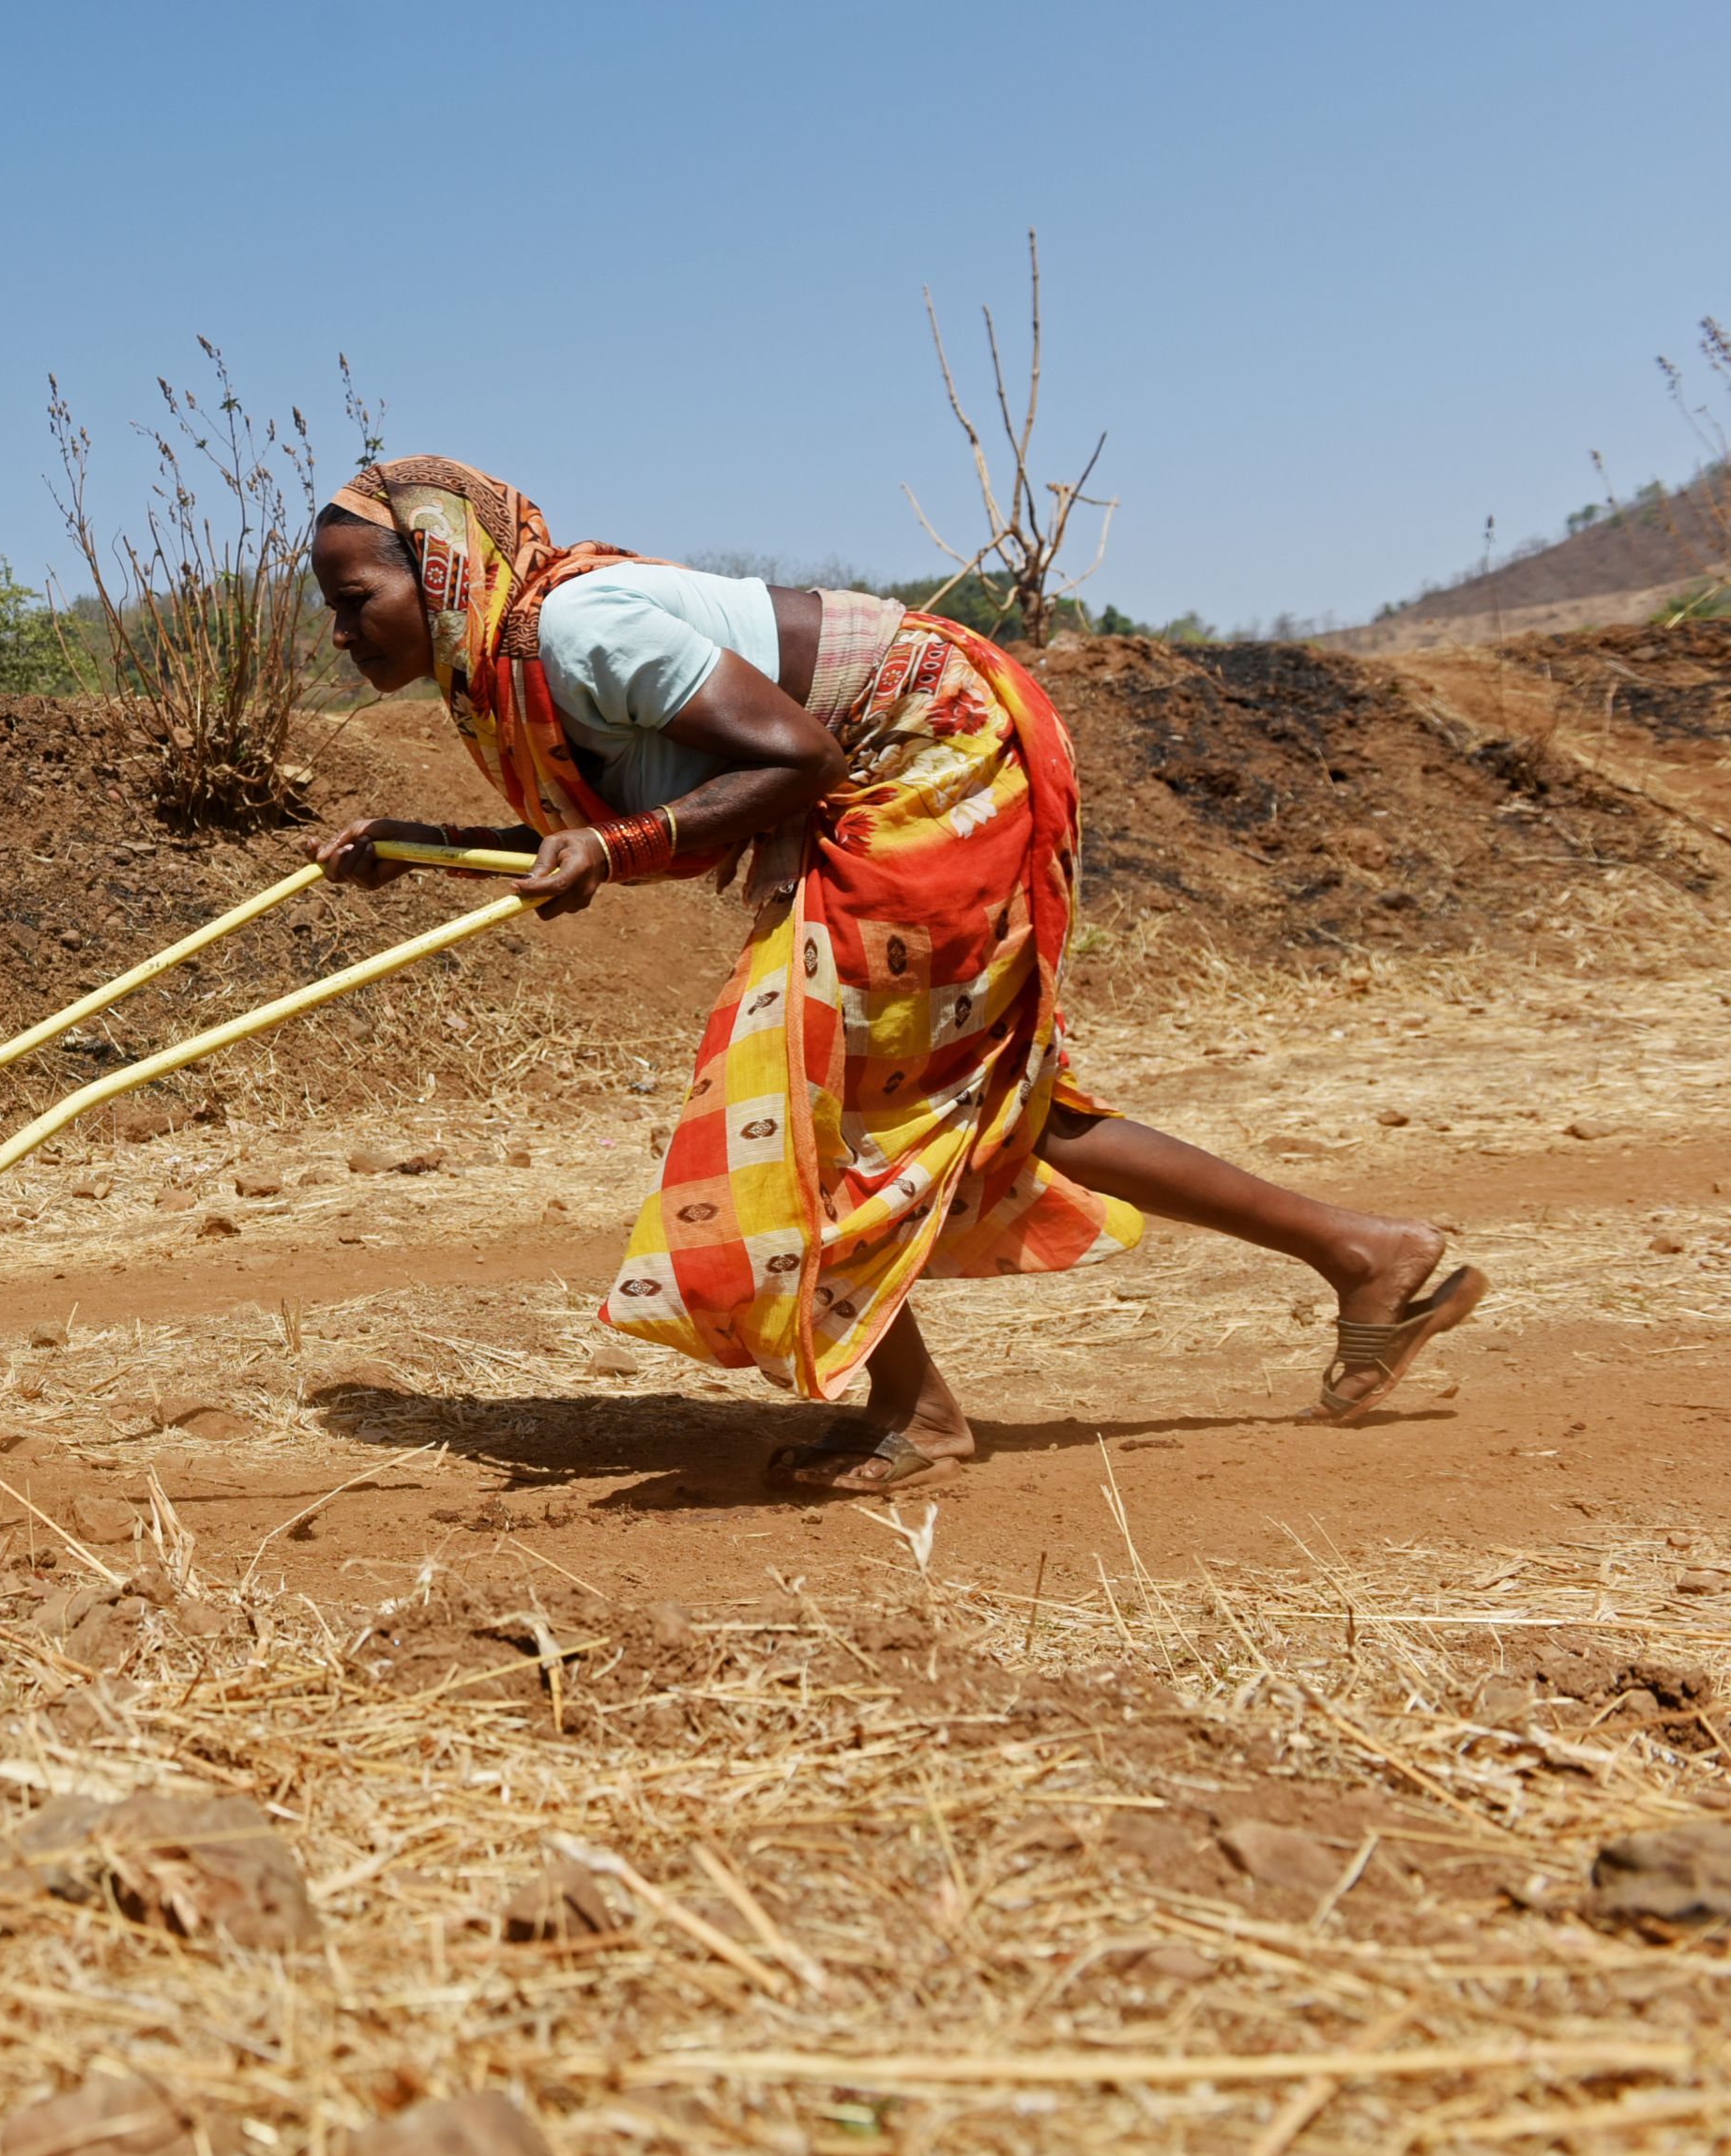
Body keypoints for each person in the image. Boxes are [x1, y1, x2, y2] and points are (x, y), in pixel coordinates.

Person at [304, 455, 1480, 1494]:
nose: (343, 632)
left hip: (933, 754)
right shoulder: (496, 671)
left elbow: (793, 756)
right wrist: (414, 849)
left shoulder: (575, 630)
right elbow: (643, 822)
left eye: (357, 602)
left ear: (441, 568)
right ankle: (1370, 1254)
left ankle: (913, 1413)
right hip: (876, 773)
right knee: (1010, 1107)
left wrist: (609, 847)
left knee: (794, 1092)